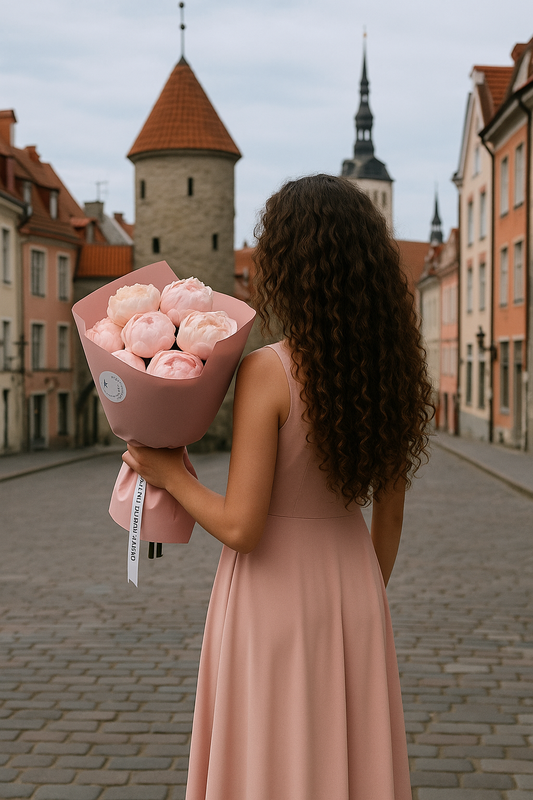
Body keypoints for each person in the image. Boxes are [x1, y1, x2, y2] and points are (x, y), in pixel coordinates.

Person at [123, 174, 433, 800]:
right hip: (354, 587)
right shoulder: (392, 371)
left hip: (271, 595)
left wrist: (166, 476)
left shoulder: (268, 371)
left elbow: (242, 525)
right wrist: (354, 598)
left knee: (270, 761)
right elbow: (391, 521)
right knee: (345, 758)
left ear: (291, 268)